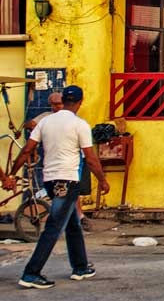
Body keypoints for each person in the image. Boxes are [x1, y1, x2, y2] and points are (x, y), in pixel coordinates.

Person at [1, 85, 108, 289]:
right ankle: (31, 273)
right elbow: (91, 158)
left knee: (72, 224)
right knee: (54, 227)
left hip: (49, 180)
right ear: (79, 102)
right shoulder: (79, 124)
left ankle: (81, 266)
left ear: (62, 101)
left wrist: (12, 174)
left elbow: (26, 151)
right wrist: (102, 180)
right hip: (67, 181)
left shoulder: (45, 122)